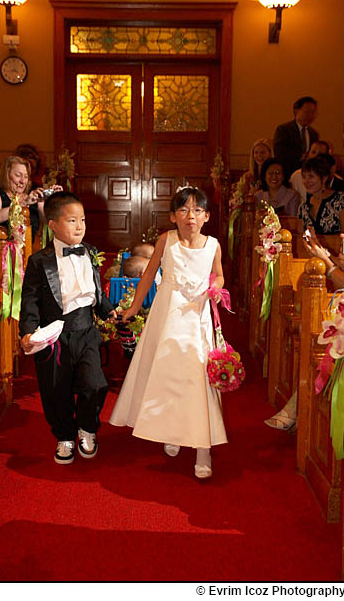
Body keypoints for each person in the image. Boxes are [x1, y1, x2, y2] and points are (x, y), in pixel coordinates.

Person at [109, 186, 228, 479]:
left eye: (197, 211)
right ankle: (172, 430)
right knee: (167, 374)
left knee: (197, 376)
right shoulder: (167, 240)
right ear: (173, 216)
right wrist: (134, 308)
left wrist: (216, 287)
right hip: (168, 313)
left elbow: (219, 273)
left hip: (196, 316)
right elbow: (149, 274)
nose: (191, 216)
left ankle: (203, 448)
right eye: (184, 210)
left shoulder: (213, 245)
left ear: (207, 216)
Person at [19, 191, 117, 465]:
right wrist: (27, 330)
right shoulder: (39, 261)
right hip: (55, 334)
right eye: (72, 220)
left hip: (86, 329)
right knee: (55, 389)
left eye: (83, 220)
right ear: (52, 226)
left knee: (95, 384)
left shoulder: (91, 252)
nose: (80, 226)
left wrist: (108, 309)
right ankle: (64, 435)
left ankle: (87, 428)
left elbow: (94, 292)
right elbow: (30, 299)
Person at [0, 155, 60, 241]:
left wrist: (51, 201)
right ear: (6, 175)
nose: (23, 181)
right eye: (18, 175)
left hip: (27, 251)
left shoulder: (30, 196)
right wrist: (24, 204)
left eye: (26, 176)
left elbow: (47, 226)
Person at [273, 96, 319, 176]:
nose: (310, 115)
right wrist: (301, 156)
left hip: (308, 175)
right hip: (288, 174)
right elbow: (279, 153)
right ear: (296, 111)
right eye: (307, 112)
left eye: (313, 112)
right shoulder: (284, 130)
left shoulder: (314, 134)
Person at [298, 157, 344, 234]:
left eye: (311, 176)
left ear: (324, 178)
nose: (306, 181)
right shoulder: (303, 207)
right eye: (304, 177)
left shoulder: (340, 200)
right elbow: (301, 237)